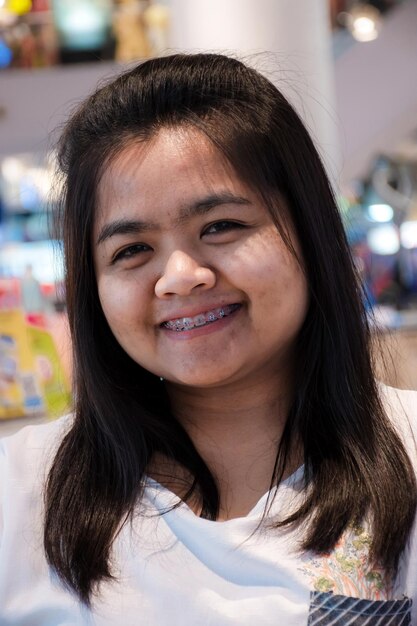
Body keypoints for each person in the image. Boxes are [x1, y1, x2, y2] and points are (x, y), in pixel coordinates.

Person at [0, 53, 416, 626]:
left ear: (309, 231)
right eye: (131, 250)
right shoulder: (18, 493)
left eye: (221, 226)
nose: (180, 276)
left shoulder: (410, 454)